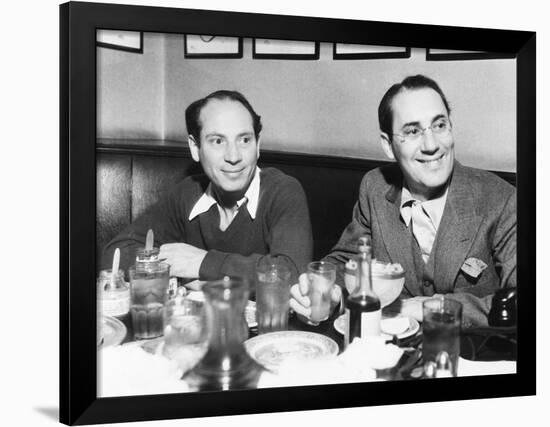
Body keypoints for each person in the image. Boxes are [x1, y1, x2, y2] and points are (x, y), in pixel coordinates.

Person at [290, 75, 516, 327]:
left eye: (439, 125)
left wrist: (426, 308)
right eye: (412, 131)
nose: (431, 145)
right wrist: (329, 293)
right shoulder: (375, 187)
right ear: (388, 145)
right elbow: (349, 262)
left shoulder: (500, 199)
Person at [101, 90, 313, 287]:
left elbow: (292, 274)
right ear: (195, 147)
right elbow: (115, 255)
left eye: (245, 140)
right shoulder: (187, 192)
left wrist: (202, 264)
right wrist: (171, 266)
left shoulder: (283, 191)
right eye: (218, 141)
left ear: (257, 146)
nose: (233, 156)